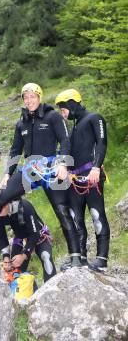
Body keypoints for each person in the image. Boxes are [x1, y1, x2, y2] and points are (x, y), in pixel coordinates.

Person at [0, 83, 83, 268]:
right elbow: (15, 151)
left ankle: (76, 257)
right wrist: (7, 174)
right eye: (26, 97)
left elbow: (64, 140)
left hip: (51, 168)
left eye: (33, 96)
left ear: (40, 97)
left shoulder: (53, 116)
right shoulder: (21, 122)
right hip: (30, 170)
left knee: (63, 212)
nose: (29, 100)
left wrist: (63, 164)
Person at [55, 89, 110, 272]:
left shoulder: (95, 118)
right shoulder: (74, 128)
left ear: (72, 104)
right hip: (75, 179)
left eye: (63, 109)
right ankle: (81, 258)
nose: (63, 114)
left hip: (92, 176)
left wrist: (96, 167)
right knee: (76, 219)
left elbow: (102, 143)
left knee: (96, 216)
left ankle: (101, 260)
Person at [0, 199, 56, 283]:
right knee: (15, 270)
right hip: (21, 237)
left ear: (7, 204)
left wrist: (23, 255)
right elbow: (1, 236)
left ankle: (50, 289)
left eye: (1, 209)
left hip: (38, 234)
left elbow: (35, 234)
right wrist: (6, 258)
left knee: (46, 257)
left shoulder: (25, 206)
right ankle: (31, 292)